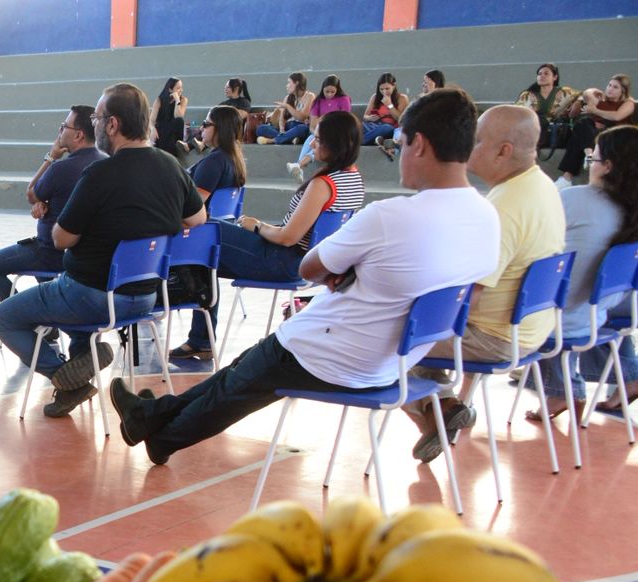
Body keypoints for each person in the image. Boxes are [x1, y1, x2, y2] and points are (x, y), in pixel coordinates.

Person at [109, 88, 499, 466]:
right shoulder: (487, 218)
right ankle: (152, 417)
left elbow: (309, 268)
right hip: (392, 360)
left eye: (402, 141)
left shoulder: (391, 215)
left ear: (420, 145)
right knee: (246, 368)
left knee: (246, 377)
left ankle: (162, 435)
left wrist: (350, 271)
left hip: (335, 352)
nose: (399, 153)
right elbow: (468, 295)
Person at [0, 84, 205, 418]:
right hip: (146, 296)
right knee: (74, 313)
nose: (95, 123)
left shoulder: (100, 174)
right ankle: (81, 364)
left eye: (97, 118)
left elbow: (61, 240)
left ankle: (64, 377)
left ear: (113, 124)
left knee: (1, 318)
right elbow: (198, 218)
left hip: (91, 295)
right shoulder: (170, 165)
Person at [403, 105, 565, 461]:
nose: (467, 147)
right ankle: (444, 407)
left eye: (477, 141)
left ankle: (437, 412)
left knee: (384, 338)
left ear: (503, 151)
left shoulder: (505, 207)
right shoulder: (542, 185)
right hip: (532, 327)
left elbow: (465, 300)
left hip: (494, 337)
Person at [169, 110, 362, 361]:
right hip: (302, 260)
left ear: (334, 143)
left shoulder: (323, 185)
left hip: (285, 260)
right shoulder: (353, 179)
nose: (312, 144)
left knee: (204, 231)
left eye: (317, 139)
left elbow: (288, 237)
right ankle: (200, 337)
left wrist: (257, 226)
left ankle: (191, 325)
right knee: (208, 249)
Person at [535, 125, 638, 418]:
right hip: (608, 308)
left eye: (593, 158)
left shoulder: (575, 199)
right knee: (586, 303)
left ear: (609, 166)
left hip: (565, 318)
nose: (589, 163)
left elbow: (538, 247)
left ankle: (563, 390)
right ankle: (629, 374)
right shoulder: (631, 207)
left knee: (535, 298)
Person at [0, 105, 105, 302]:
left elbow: (31, 193)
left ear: (78, 135)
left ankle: (17, 312)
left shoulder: (61, 168)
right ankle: (48, 314)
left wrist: (51, 157)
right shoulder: (105, 162)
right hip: (87, 255)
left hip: (51, 253)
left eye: (64, 126)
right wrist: (46, 202)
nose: (60, 130)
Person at [557, 75, 635, 187]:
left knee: (579, 137)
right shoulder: (601, 99)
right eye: (609, 85)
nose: (610, 89)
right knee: (583, 123)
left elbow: (617, 116)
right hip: (593, 134)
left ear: (623, 91)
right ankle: (589, 156)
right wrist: (593, 91)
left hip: (614, 135)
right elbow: (586, 94)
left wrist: (595, 111)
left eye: (615, 87)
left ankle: (566, 178)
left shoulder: (628, 103)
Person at [288, 76, 352, 176]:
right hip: (320, 131)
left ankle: (299, 165)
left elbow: (345, 120)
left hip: (337, 133)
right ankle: (299, 167)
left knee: (323, 143)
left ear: (337, 90)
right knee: (311, 139)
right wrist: (318, 135)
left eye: (332, 92)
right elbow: (313, 124)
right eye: (327, 92)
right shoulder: (318, 101)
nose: (329, 94)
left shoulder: (344, 100)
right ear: (323, 89)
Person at [380, 71, 447, 160]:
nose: (423, 84)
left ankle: (395, 147)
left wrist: (389, 105)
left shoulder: (444, 99)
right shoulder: (420, 98)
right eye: (423, 82)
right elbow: (403, 118)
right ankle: (393, 149)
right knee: (400, 130)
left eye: (426, 82)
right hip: (413, 129)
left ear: (435, 83)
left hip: (431, 131)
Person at [189, 105, 247, 202]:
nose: (201, 128)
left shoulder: (214, 162)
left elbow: (194, 204)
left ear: (221, 128)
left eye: (206, 124)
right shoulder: (232, 158)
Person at [518, 63, 580, 152]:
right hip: (533, 128)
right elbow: (517, 111)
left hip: (554, 130)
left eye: (546, 73)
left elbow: (584, 95)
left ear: (555, 77)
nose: (542, 76)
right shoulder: (527, 95)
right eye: (539, 74)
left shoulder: (565, 92)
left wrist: (578, 102)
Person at [257, 73, 314, 145]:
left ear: (296, 83)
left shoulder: (310, 96)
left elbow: (302, 117)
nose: (287, 85)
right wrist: (282, 129)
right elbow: (282, 119)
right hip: (288, 127)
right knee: (261, 129)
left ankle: (273, 140)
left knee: (302, 129)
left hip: (299, 126)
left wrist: (288, 106)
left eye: (289, 82)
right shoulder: (287, 98)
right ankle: (289, 139)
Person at [361, 73, 409, 146]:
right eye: (381, 89)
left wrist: (389, 105)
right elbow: (365, 116)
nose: (384, 92)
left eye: (387, 89)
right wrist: (369, 118)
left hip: (391, 128)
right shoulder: (375, 97)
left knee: (386, 128)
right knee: (359, 125)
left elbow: (400, 119)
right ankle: (374, 139)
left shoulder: (402, 98)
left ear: (394, 86)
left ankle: (360, 141)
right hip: (374, 126)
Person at [150, 78, 188, 156]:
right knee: (163, 132)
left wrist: (177, 100)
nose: (181, 90)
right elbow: (151, 120)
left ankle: (177, 148)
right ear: (170, 89)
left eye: (181, 88)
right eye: (178, 88)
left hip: (174, 133)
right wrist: (153, 129)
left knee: (179, 121)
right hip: (161, 131)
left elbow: (178, 116)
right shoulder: (159, 100)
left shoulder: (183, 100)